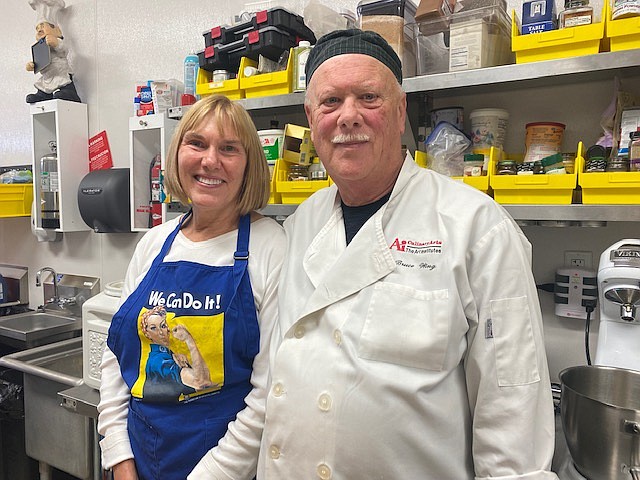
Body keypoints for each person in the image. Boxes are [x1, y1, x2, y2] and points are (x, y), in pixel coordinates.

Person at [256, 30, 559, 479]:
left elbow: (512, 412)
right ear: (310, 117)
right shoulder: (300, 223)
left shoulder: (477, 228)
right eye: (330, 101)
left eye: (369, 97)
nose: (348, 116)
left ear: (400, 113)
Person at [97, 94, 285, 480]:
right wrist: (118, 455)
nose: (210, 160)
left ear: (249, 165)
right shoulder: (153, 243)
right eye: (196, 143)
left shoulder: (271, 246)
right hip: (137, 458)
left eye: (229, 148)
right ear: (177, 153)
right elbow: (117, 358)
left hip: (225, 465)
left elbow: (271, 391)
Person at [26, 0, 81, 104]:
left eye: (43, 26)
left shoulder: (59, 41)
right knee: (44, 85)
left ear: (57, 30)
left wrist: (56, 43)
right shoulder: (40, 47)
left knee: (64, 84)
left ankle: (70, 94)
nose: (39, 30)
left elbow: (65, 49)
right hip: (47, 75)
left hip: (60, 73)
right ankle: (43, 95)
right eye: (37, 28)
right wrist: (33, 65)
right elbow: (39, 61)